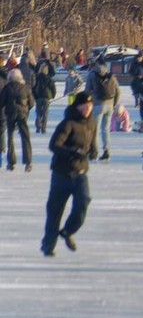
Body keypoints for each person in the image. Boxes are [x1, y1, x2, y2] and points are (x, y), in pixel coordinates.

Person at [41, 91, 95, 256]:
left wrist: (93, 150)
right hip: (61, 174)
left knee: (83, 203)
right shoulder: (68, 123)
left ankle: (67, 231)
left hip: (80, 173)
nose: (87, 109)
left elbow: (91, 141)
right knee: (55, 211)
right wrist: (72, 152)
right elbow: (54, 145)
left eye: (90, 106)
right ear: (77, 106)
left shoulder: (91, 122)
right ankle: (48, 246)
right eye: (84, 106)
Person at [1, 67, 35, 171]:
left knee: (10, 137)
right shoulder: (26, 88)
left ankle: (11, 162)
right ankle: (28, 162)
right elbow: (32, 103)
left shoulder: (7, 88)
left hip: (11, 114)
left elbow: (1, 102)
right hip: (22, 115)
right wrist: (26, 108)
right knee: (25, 137)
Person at [88, 62, 119, 161]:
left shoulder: (92, 75)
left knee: (95, 130)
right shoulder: (111, 76)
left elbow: (87, 91)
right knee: (105, 129)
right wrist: (114, 104)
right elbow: (118, 91)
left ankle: (94, 151)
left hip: (97, 105)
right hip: (109, 105)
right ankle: (106, 151)